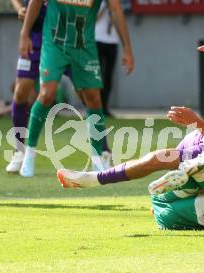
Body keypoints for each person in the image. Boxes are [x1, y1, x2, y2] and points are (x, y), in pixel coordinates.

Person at [57, 45, 204, 189]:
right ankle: (189, 173)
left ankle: (92, 180)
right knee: (175, 161)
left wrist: (196, 123)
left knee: (160, 159)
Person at [18, 0, 134, 177]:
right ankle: (29, 154)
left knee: (93, 97)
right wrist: (24, 33)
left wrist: (127, 48)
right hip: (54, 43)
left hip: (83, 45)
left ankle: (97, 160)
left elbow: (116, 11)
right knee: (47, 93)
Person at [7, 0, 72, 173]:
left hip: (65, 37)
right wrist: (20, 8)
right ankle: (19, 151)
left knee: (89, 93)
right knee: (21, 93)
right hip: (35, 36)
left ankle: (103, 152)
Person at [95, 1, 119, 117]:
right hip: (98, 41)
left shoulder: (115, 4)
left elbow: (118, 22)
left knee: (108, 77)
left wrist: (112, 10)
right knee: (97, 77)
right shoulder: (99, 3)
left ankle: (105, 107)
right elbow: (94, 19)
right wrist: (104, 8)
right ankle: (95, 107)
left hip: (112, 41)